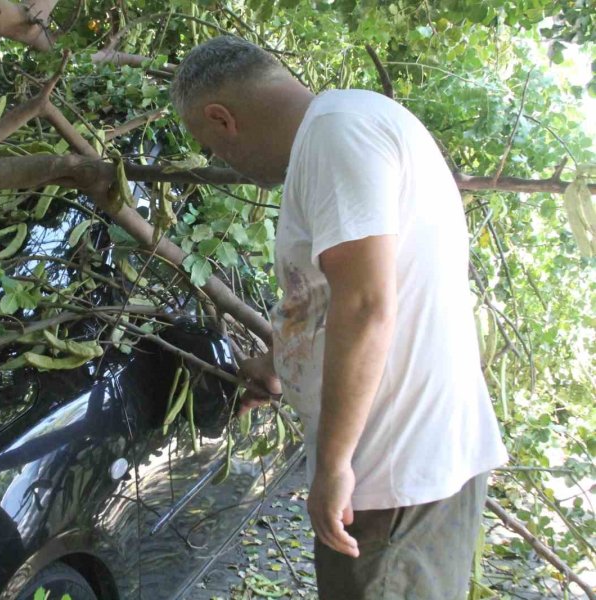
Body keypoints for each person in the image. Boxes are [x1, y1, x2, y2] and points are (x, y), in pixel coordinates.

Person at [170, 36, 508, 599]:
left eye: (213, 147)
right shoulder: (342, 127)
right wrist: (277, 361)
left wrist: (333, 465)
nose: (221, 161)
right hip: (395, 472)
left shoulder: (336, 134)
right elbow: (332, 296)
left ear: (221, 118)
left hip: (393, 476)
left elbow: (367, 304)